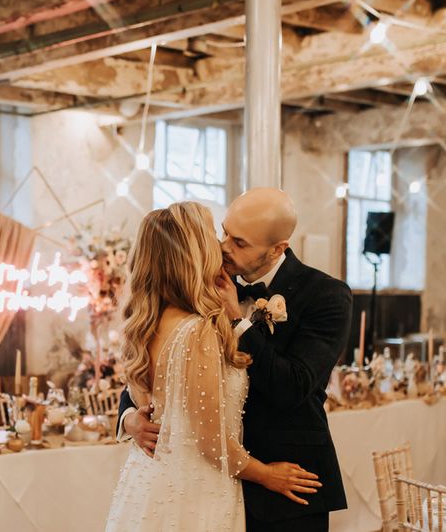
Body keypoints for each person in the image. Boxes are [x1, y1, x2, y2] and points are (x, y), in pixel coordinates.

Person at [118, 189, 351, 532]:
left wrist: (238, 320)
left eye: (239, 242)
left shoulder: (326, 295)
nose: (225, 246)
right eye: (224, 232)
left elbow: (294, 386)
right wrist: (128, 419)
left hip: (283, 479)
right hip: (209, 475)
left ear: (277, 249)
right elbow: (165, 368)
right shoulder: (204, 288)